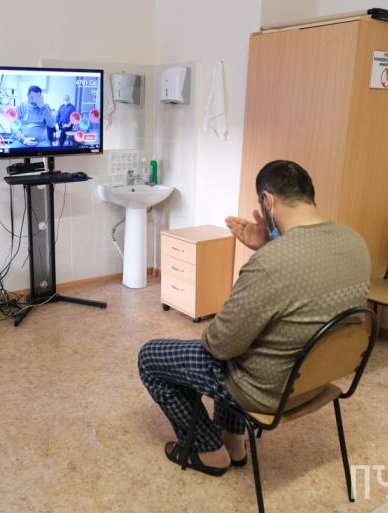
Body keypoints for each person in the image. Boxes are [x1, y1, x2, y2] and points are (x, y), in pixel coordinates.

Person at [138, 160, 371, 476]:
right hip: (317, 381)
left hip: (268, 390)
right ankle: (234, 441)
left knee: (151, 357)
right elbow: (300, 292)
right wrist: (271, 244)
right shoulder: (354, 240)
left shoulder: (272, 262)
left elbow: (219, 344)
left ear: (268, 200)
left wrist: (267, 253)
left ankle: (208, 451)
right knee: (250, 340)